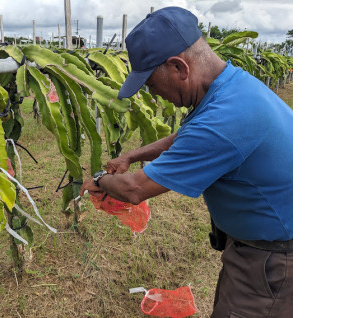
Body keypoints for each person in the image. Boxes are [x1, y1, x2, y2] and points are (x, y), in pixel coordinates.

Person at [79, 6, 293, 318]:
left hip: (274, 264)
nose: (153, 96)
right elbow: (186, 136)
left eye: (151, 84)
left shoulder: (225, 120)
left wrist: (98, 181)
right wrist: (131, 155)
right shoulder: (232, 87)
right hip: (265, 250)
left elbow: (135, 189)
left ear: (179, 67)